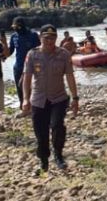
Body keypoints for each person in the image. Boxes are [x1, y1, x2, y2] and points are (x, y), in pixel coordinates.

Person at [22, 24, 79, 175]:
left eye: (52, 38)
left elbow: (70, 76)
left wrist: (75, 98)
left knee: (57, 126)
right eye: (46, 38)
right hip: (38, 99)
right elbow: (27, 78)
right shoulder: (32, 55)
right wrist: (25, 99)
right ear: (40, 38)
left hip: (58, 98)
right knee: (41, 133)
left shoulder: (64, 54)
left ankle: (58, 155)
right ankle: (43, 161)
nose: (49, 41)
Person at [7, 17, 41, 114]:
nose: (15, 29)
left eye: (17, 27)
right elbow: (10, 51)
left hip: (33, 66)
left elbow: (38, 50)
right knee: (19, 87)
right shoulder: (14, 36)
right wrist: (4, 45)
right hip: (18, 66)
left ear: (21, 26)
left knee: (35, 86)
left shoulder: (33, 35)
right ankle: (24, 107)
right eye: (14, 27)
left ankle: (35, 106)